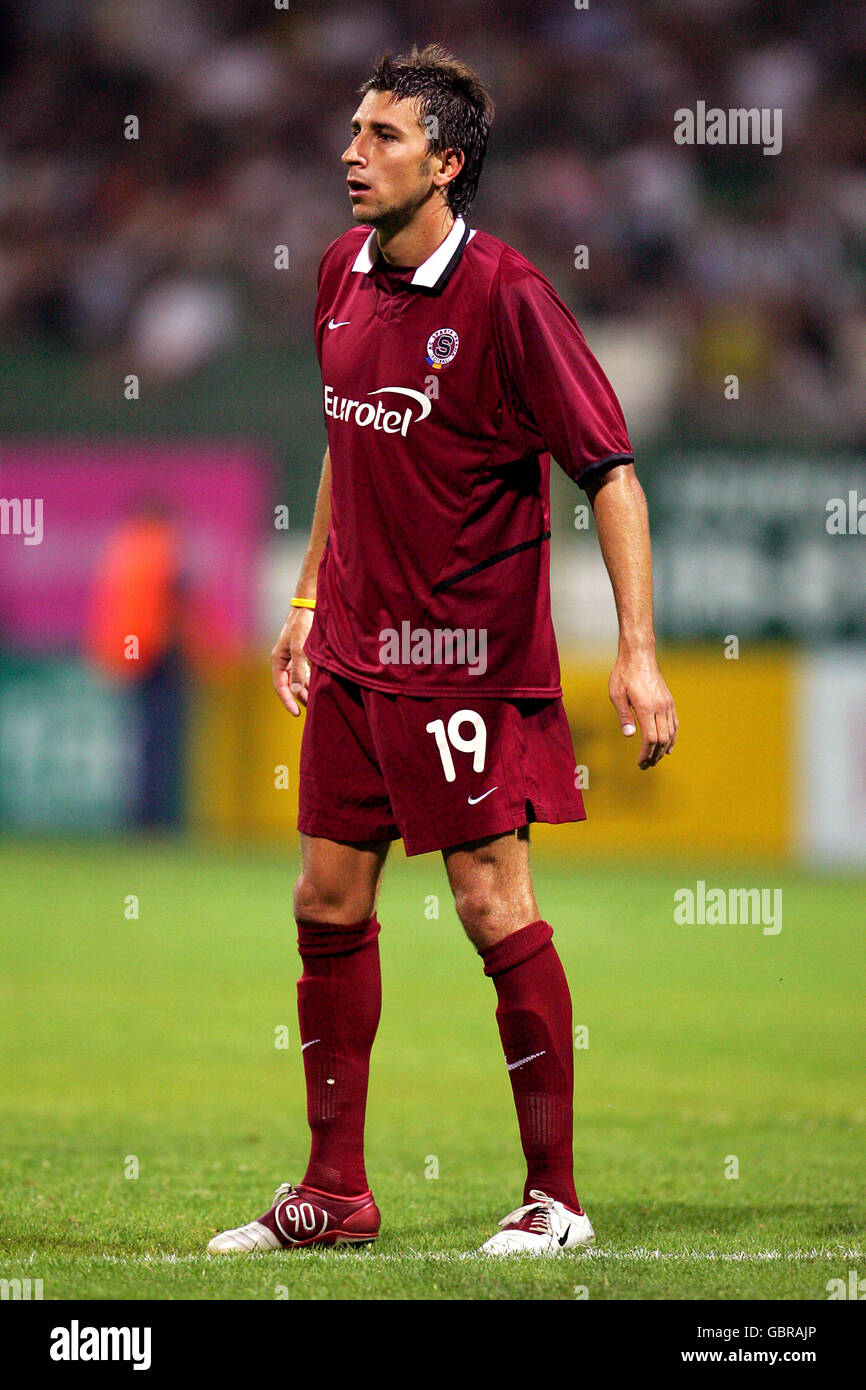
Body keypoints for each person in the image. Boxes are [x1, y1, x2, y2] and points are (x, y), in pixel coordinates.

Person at [208, 43, 677, 1259]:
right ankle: (333, 1192)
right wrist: (309, 596)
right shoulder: (335, 275)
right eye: (353, 131)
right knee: (324, 895)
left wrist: (635, 651)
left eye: (381, 136)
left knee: (488, 902)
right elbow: (342, 442)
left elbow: (609, 475)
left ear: (447, 163)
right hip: (358, 651)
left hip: (466, 656)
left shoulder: (509, 298)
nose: (350, 153)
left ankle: (555, 1198)